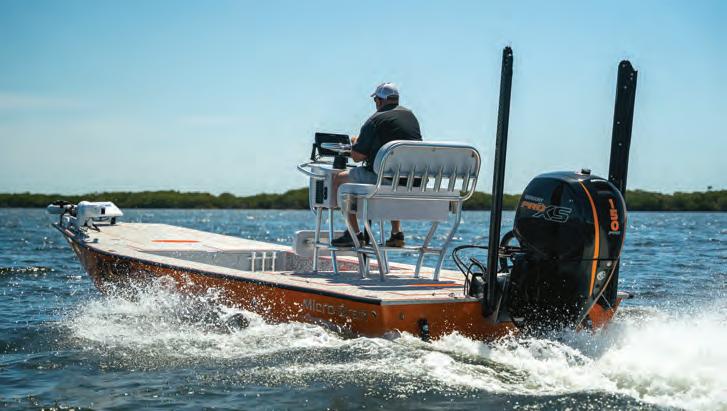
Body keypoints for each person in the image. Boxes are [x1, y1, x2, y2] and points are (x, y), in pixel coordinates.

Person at [331, 82, 422, 248]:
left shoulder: (374, 120)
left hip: (384, 181)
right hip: (411, 182)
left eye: (375, 101)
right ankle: (396, 233)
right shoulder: (411, 117)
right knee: (395, 175)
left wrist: (356, 143)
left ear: (379, 101)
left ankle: (354, 235)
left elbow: (357, 157)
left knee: (338, 180)